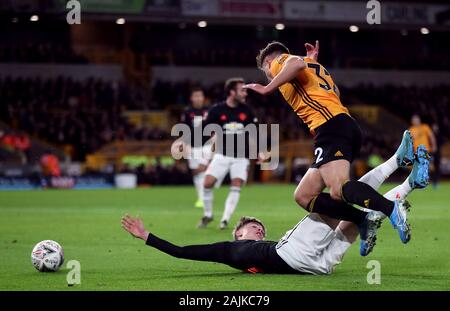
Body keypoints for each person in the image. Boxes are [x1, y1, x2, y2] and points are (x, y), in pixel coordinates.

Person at [121, 138, 430, 274]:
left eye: (258, 227)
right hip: (301, 258)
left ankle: (407, 184)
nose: (257, 227)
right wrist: (147, 237)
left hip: (314, 265)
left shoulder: (267, 246)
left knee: (350, 211)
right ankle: (395, 168)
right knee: (336, 196)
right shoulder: (228, 252)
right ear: (238, 234)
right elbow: (184, 252)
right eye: (251, 227)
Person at [243, 41, 414, 255]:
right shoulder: (313, 66)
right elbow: (332, 90)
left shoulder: (280, 61)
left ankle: (390, 208)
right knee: (304, 195)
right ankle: (362, 220)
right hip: (342, 126)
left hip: (330, 127)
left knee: (338, 188)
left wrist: (268, 88)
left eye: (266, 72)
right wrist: (311, 61)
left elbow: (295, 64)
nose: (269, 76)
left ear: (268, 62)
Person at [198, 78, 259, 230]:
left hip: (240, 156)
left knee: (236, 184)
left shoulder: (247, 111)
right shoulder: (216, 110)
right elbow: (204, 131)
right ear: (232, 92)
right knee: (207, 183)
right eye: (242, 90)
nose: (245, 93)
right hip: (222, 155)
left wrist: (259, 151)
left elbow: (255, 133)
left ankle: (225, 220)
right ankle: (208, 214)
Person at [180, 87, 211, 208]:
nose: (198, 98)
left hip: (206, 145)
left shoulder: (209, 111)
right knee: (196, 173)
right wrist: (184, 144)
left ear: (203, 98)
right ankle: (201, 198)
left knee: (202, 169)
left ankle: (204, 197)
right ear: (191, 98)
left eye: (200, 96)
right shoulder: (187, 112)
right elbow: (184, 129)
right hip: (192, 146)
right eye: (196, 96)